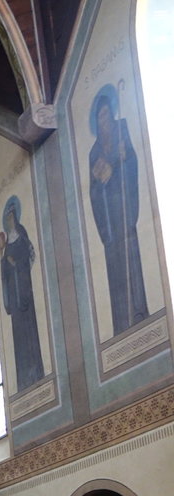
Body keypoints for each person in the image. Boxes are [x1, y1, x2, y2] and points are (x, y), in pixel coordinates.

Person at [88, 91, 148, 336]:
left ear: (111, 114)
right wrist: (101, 179)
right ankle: (122, 322)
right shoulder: (94, 152)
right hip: (109, 222)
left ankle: (139, 312)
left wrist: (124, 160)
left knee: (131, 258)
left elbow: (132, 161)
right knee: (114, 267)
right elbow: (92, 191)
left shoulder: (122, 130)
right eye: (99, 118)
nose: (104, 121)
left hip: (124, 207)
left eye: (105, 115)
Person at [0, 201, 44, 389]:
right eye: (7, 218)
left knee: (30, 330)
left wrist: (16, 263)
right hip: (15, 299)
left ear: (15, 217)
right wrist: (5, 261)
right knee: (18, 336)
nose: (9, 221)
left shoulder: (22, 236)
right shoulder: (6, 244)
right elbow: (3, 274)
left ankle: (36, 371)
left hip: (24, 292)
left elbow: (28, 257)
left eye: (11, 217)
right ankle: (23, 377)